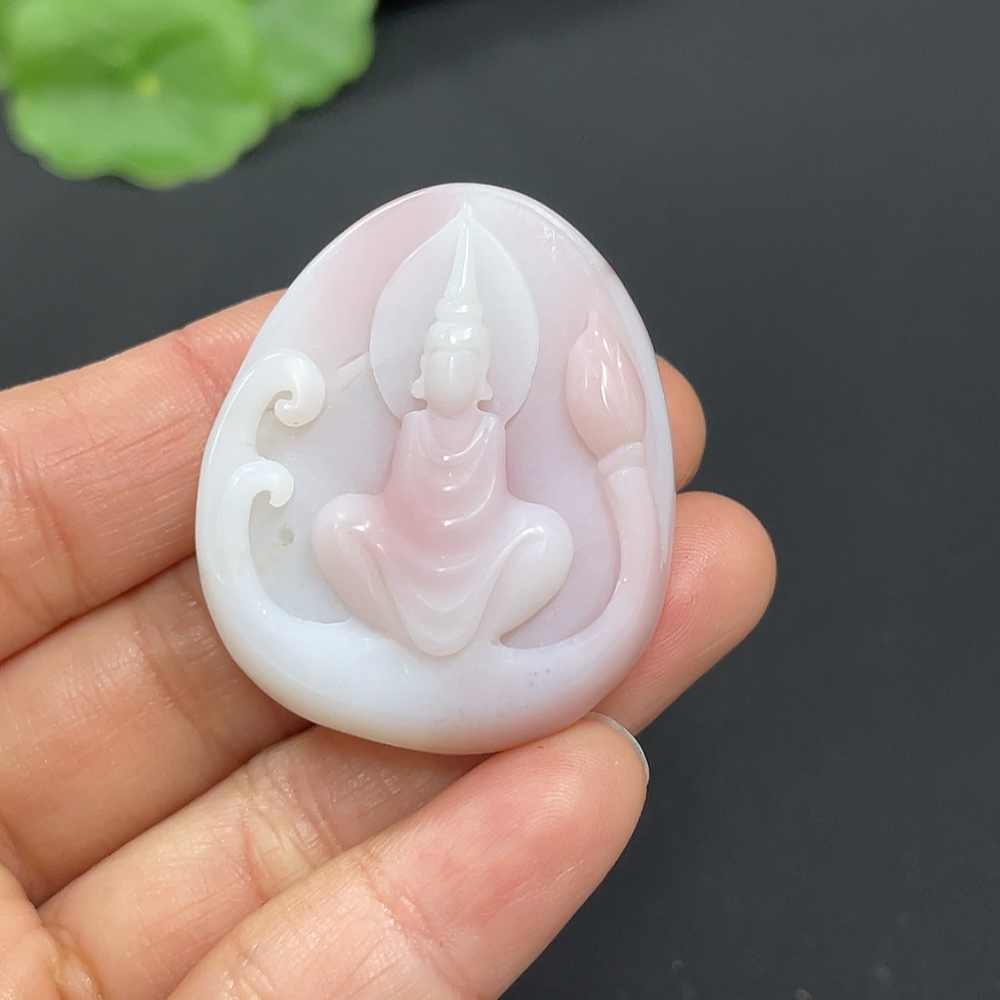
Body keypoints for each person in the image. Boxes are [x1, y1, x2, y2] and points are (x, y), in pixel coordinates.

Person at [0, 293, 775, 999]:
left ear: (484, 375)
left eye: (462, 359)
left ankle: (456, 639)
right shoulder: (414, 430)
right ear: (420, 369)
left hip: (480, 567)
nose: (447, 370)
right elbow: (401, 510)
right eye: (436, 356)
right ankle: (413, 635)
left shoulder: (487, 432)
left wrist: (463, 559)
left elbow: (490, 513)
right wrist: (413, 556)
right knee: (340, 524)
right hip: (403, 564)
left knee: (547, 535)